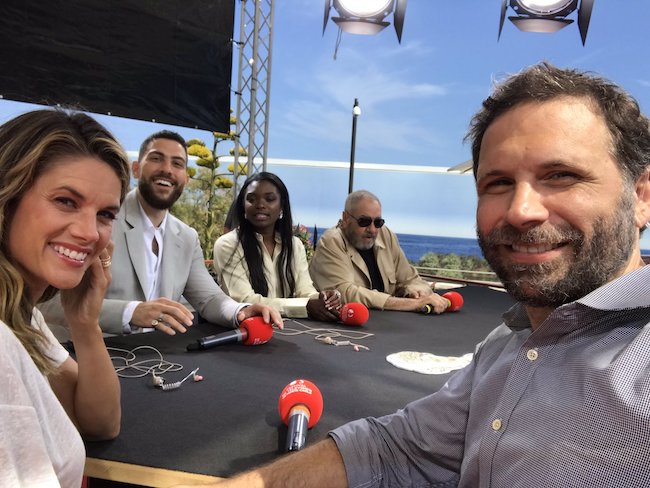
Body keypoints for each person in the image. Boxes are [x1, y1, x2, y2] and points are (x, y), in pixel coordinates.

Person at [174, 62, 650, 487]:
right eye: (498, 183)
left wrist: (419, 291)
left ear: (642, 195)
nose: (522, 210)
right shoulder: (502, 348)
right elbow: (396, 447)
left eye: (561, 175)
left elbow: (401, 279)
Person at [40, 130, 282, 337]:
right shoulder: (100, 220)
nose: (167, 169)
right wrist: (131, 312)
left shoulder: (187, 236)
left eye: (177, 164)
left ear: (185, 179)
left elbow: (209, 299)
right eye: (157, 159)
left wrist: (240, 311)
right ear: (136, 169)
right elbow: (48, 304)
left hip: (155, 361)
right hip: (80, 358)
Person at [0, 110, 130, 486]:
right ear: (8, 198)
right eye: (66, 201)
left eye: (105, 214)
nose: (90, 233)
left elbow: (102, 423)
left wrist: (85, 323)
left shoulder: (23, 316)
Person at [213, 172, 341, 321]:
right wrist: (305, 307)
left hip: (290, 330)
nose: (260, 205)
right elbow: (244, 300)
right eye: (251, 199)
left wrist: (323, 299)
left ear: (282, 206)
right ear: (243, 206)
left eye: (270, 199)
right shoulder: (228, 245)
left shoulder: (295, 245)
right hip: (247, 332)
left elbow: (305, 291)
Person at [309, 190, 450, 313]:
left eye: (378, 223)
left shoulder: (386, 235)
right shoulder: (331, 241)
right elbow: (345, 293)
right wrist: (412, 304)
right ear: (346, 218)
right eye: (364, 222)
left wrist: (416, 291)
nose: (372, 229)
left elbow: (410, 279)